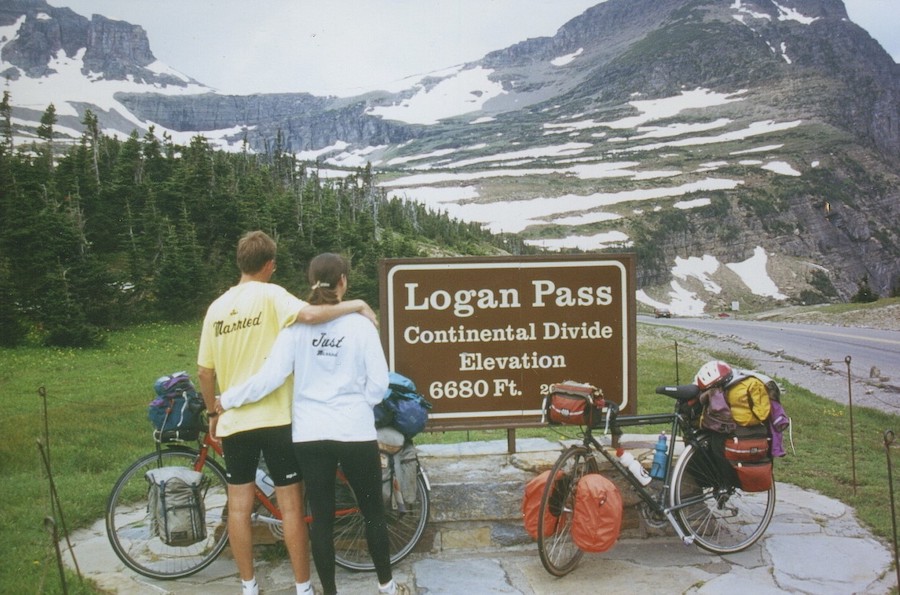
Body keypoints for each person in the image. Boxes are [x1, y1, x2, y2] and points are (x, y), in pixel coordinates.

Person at [198, 232, 376, 595]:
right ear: (270, 265)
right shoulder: (272, 294)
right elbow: (311, 313)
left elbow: (205, 372)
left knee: (238, 508)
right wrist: (356, 303)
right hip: (278, 418)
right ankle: (302, 586)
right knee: (291, 507)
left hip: (235, 421)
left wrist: (212, 413)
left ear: (239, 262)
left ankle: (248, 586)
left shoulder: (216, 307)